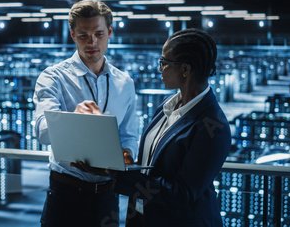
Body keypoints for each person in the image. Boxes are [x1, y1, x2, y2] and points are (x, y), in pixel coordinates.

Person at [75, 28, 231, 227]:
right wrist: (119, 162)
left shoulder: (212, 126)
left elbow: (181, 195)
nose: (159, 69)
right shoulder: (168, 105)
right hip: (144, 217)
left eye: (164, 63)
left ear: (185, 69)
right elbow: (155, 164)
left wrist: (120, 176)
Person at [33, 0, 139, 227]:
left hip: (108, 197)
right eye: (83, 35)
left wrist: (126, 155)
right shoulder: (53, 78)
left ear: (110, 32)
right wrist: (73, 117)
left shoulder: (125, 83)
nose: (92, 42)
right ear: (72, 34)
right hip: (65, 196)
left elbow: (130, 134)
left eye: (99, 34)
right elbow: (42, 133)